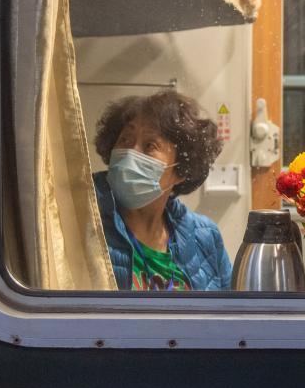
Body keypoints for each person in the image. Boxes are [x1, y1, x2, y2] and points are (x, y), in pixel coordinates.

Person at [93, 90, 232, 291]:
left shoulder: (206, 237)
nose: (131, 153)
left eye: (150, 145)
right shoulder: (85, 222)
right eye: (125, 140)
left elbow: (230, 308)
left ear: (181, 170)